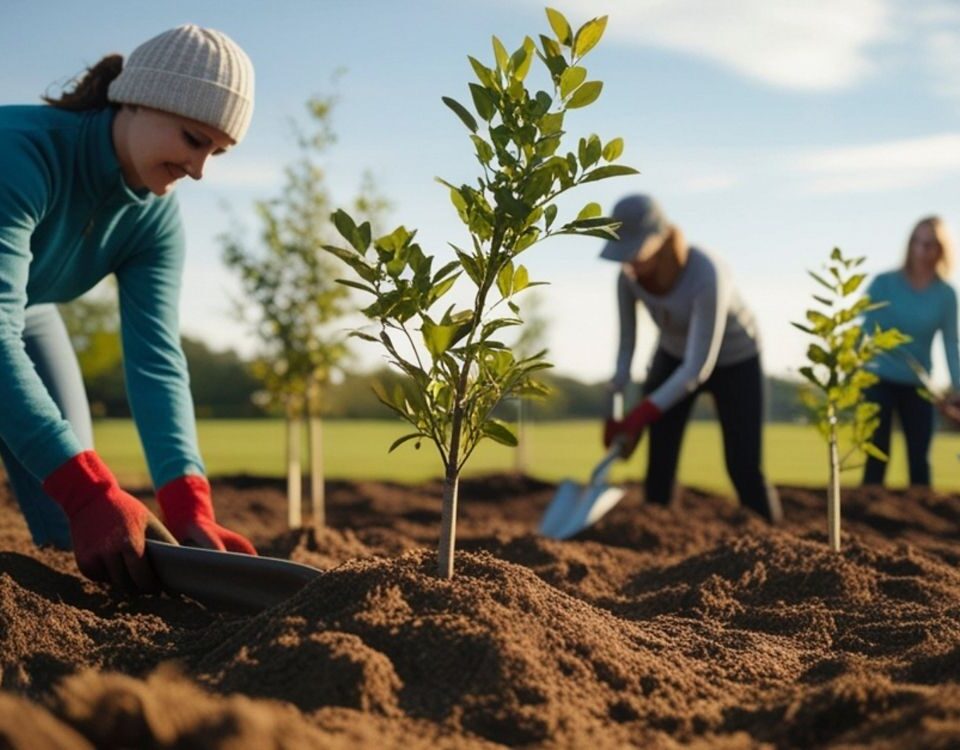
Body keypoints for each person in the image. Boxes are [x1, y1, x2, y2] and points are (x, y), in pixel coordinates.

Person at [0, 25, 258, 593]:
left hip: (27, 312)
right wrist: (90, 491)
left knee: (73, 534)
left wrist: (189, 503)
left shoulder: (155, 220)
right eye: (193, 139)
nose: (199, 170)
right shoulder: (19, 154)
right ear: (137, 98)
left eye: (216, 152)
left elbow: (156, 361)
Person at [599, 194, 781, 523]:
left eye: (635, 250)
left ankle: (776, 539)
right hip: (672, 354)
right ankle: (655, 536)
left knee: (742, 465)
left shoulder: (706, 273)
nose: (629, 263)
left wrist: (642, 412)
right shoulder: (628, 279)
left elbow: (697, 368)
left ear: (661, 237)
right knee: (660, 460)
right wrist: (615, 403)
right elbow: (627, 344)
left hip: (735, 360)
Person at [860, 216, 959, 487]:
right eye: (917, 242)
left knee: (920, 460)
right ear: (909, 244)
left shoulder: (946, 295)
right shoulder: (883, 284)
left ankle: (917, 526)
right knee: (876, 455)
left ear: (941, 249)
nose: (922, 250)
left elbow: (951, 343)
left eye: (930, 244)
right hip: (879, 378)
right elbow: (863, 330)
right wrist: (852, 370)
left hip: (918, 384)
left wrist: (958, 389)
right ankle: (865, 520)